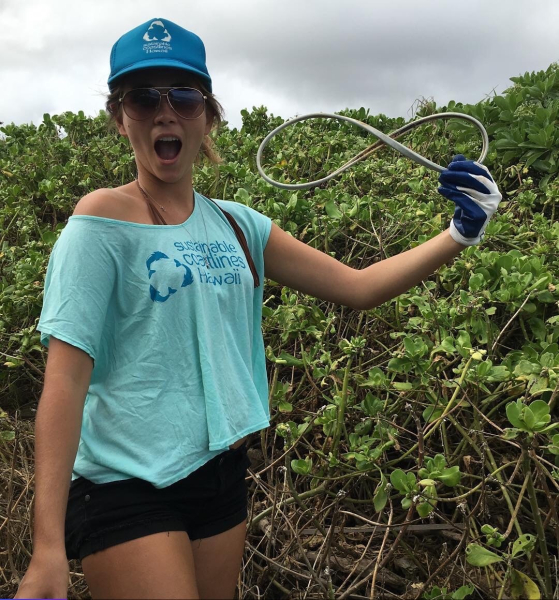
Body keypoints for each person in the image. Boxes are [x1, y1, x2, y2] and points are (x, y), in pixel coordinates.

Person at [14, 17, 502, 600]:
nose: (165, 113)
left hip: (219, 476)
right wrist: (47, 549)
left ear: (209, 115)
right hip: (125, 484)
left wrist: (459, 233)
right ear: (121, 118)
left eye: (185, 97)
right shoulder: (98, 220)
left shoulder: (240, 225)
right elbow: (64, 383)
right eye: (143, 98)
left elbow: (360, 286)